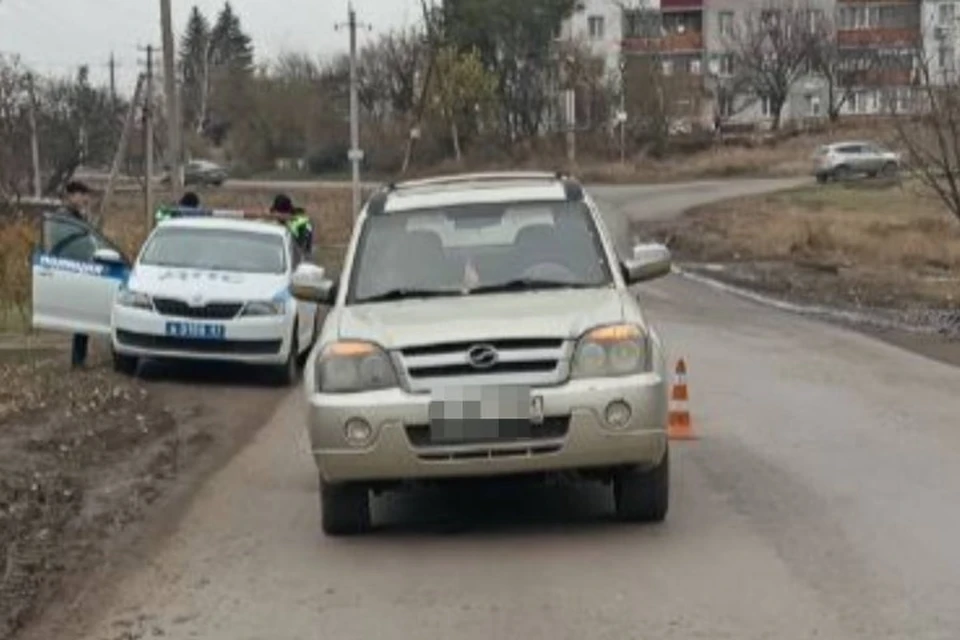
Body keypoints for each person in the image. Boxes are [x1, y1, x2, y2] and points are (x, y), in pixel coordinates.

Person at [57, 180, 95, 369]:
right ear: (71, 195)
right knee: (82, 315)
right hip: (71, 269)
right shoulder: (65, 217)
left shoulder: (78, 216)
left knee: (84, 316)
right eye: (81, 195)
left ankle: (80, 357)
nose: (84, 199)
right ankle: (78, 359)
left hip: (82, 269)